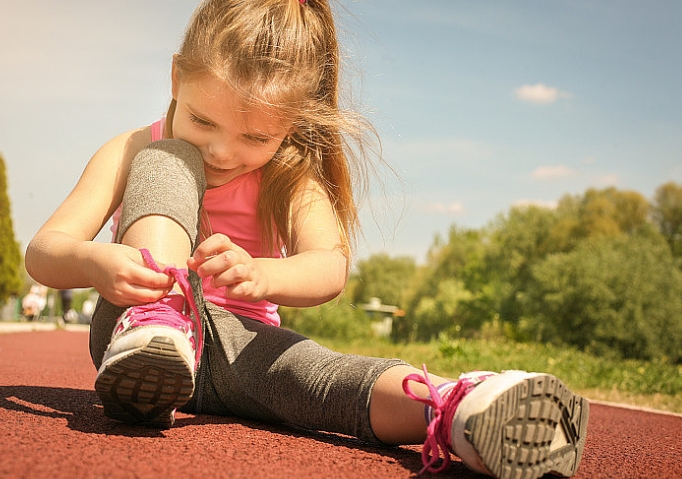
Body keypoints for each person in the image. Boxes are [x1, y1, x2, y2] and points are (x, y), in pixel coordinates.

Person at [25, 1, 589, 477]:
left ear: (292, 122)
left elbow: (330, 267)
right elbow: (44, 251)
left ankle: (459, 411)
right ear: (176, 77)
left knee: (321, 376)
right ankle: (161, 325)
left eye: (254, 136)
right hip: (133, 326)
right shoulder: (128, 148)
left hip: (244, 347)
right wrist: (95, 260)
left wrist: (264, 274)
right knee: (167, 158)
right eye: (202, 121)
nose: (221, 152)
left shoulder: (291, 177)